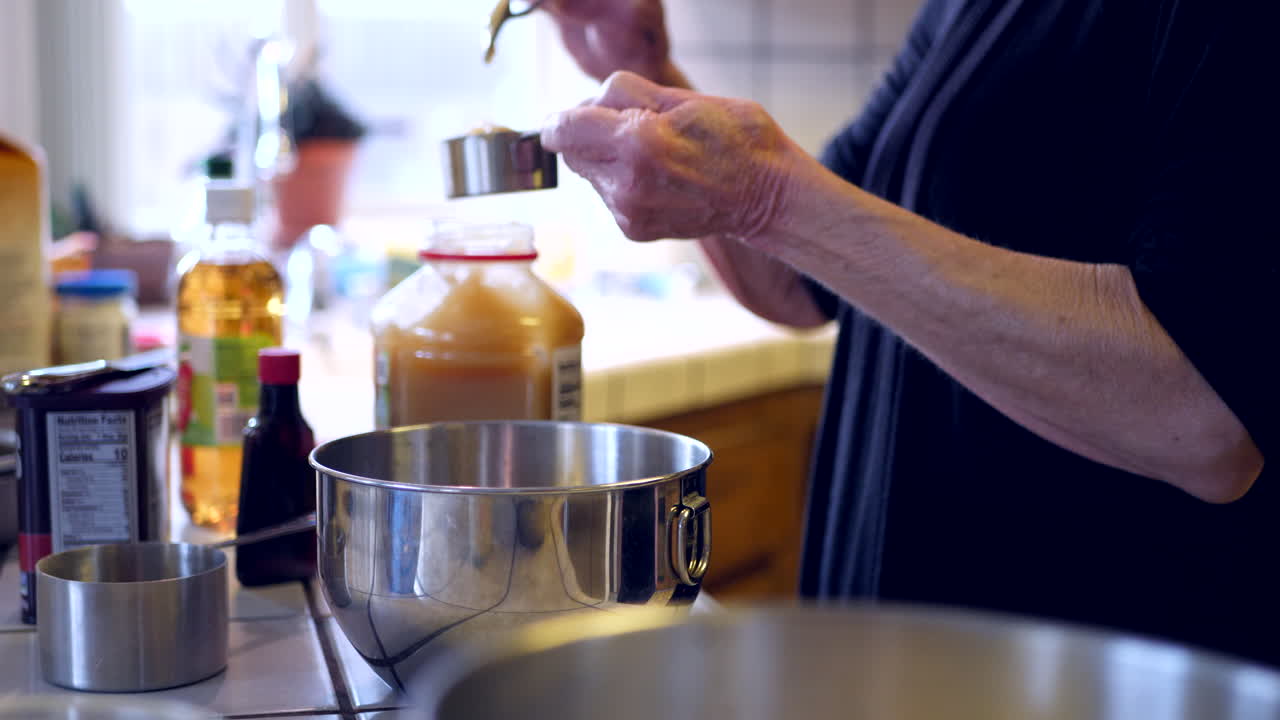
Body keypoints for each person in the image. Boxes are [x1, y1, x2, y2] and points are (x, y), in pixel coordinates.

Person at [541, 0, 1280, 667]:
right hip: (901, 671)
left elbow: (1208, 419)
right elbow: (801, 283)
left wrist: (772, 195)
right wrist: (646, 81)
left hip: (1086, 681)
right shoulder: (963, 11)